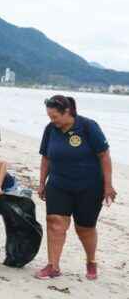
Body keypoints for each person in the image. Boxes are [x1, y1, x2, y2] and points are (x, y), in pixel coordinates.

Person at [35, 95, 116, 281]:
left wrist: (108, 185)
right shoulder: (50, 129)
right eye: (49, 116)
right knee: (55, 223)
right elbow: (46, 157)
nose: (52, 120)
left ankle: (91, 261)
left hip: (89, 186)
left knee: (85, 228)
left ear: (67, 112)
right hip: (59, 184)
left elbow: (104, 155)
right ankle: (53, 266)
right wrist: (41, 183)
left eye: (55, 116)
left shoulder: (88, 126)